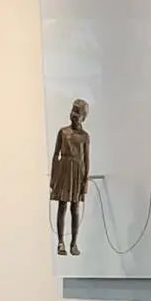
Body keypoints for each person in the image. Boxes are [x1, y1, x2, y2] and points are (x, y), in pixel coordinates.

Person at [49, 99, 91, 257]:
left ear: (84, 117)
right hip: (64, 171)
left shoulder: (85, 137)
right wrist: (54, 178)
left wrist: (85, 181)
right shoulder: (63, 132)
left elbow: (86, 160)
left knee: (75, 208)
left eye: (78, 112)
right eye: (73, 110)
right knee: (62, 206)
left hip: (77, 173)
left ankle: (74, 243)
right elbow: (56, 155)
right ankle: (60, 242)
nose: (74, 114)